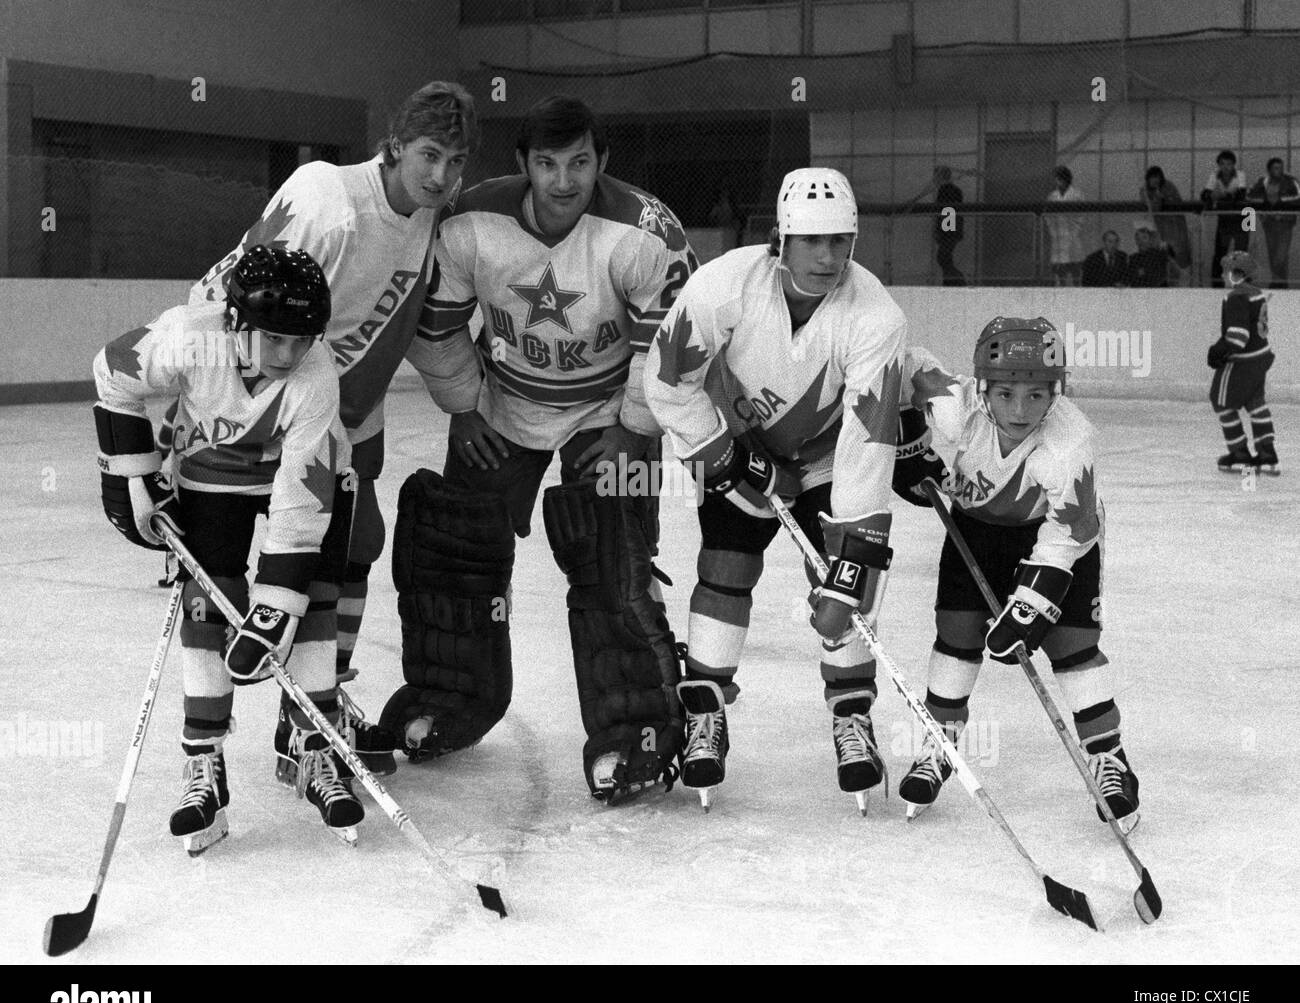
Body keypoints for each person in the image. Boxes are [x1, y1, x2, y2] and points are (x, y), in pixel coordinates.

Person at [403, 94, 698, 801]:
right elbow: (435, 325)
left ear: (603, 160)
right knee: (456, 556)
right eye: (546, 164)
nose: (564, 182)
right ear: (522, 164)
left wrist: (633, 430)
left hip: (611, 413)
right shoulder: (471, 221)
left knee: (611, 566)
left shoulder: (645, 232)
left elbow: (673, 344)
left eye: (580, 163)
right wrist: (465, 409)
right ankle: (451, 699)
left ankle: (640, 730)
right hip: (502, 404)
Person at [185, 80, 481, 780]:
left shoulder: (430, 217)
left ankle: (313, 708)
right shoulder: (328, 199)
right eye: (429, 155)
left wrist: (465, 400)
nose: (441, 175)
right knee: (258, 573)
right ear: (397, 145)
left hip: (345, 409)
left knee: (358, 545)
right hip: (271, 408)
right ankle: (251, 730)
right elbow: (239, 301)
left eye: (457, 161)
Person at [643, 167, 931, 814]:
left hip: (830, 456)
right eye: (812, 242)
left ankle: (851, 716)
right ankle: (705, 711)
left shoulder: (876, 316)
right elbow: (667, 383)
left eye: (841, 241)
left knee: (840, 591)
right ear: (782, 240)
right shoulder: (722, 288)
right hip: (738, 446)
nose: (828, 257)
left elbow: (869, 436)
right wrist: (726, 460)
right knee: (726, 565)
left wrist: (855, 554)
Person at [93, 246, 367, 852]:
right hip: (210, 471)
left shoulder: (315, 375)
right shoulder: (189, 338)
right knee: (205, 602)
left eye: (304, 339)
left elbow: (299, 509)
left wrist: (278, 609)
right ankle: (204, 765)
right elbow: (112, 370)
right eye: (276, 338)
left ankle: (311, 744)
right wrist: (131, 472)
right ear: (237, 323)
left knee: (316, 601)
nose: (290, 355)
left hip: (307, 476)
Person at [895, 318, 1141, 831]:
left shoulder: (1070, 441)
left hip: (1057, 537)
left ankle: (1107, 756)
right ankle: (940, 743)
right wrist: (909, 444)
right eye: (1005, 392)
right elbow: (905, 363)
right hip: (977, 529)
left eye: (1037, 394)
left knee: (1071, 643)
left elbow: (1067, 535)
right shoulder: (954, 405)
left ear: (1059, 390)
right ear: (982, 385)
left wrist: (1030, 606)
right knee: (957, 633)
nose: (1020, 410)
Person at [1208, 251, 1279, 474]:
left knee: (1221, 402)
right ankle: (1267, 452)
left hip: (1242, 362)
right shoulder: (1257, 294)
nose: (1222, 274)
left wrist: (1219, 351)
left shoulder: (1236, 297)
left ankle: (1239, 451)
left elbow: (1238, 337)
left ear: (1237, 274)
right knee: (1256, 403)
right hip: (1261, 358)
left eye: (1226, 270)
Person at [1246, 157, 1300, 289]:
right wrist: (1265, 201)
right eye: (1276, 168)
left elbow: (1299, 196)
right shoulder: (1263, 182)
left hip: (1285, 223)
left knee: (1280, 256)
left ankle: (1278, 282)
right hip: (1269, 223)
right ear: (1269, 169)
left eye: (1281, 167)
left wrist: (1280, 200)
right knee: (1273, 254)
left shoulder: (1290, 181)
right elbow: (1249, 197)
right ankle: (1280, 284)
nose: (1279, 171)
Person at [1201, 150, 1249, 287]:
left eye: (1229, 164)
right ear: (1219, 165)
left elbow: (1240, 195)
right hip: (1225, 219)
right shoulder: (1214, 175)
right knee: (1220, 253)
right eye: (1222, 164)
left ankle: (1242, 283)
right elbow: (1205, 195)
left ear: (1234, 165)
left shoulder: (1240, 174)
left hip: (1243, 218)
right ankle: (1216, 284)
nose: (1226, 167)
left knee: (1242, 254)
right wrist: (1223, 195)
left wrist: (1219, 196)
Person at [1140, 166, 1191, 273]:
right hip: (1157, 228)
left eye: (1157, 177)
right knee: (1158, 256)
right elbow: (1153, 208)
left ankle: (1181, 280)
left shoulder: (1169, 186)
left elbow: (1177, 202)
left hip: (1175, 227)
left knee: (1178, 256)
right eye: (1152, 177)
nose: (1155, 180)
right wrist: (1158, 198)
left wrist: (1163, 198)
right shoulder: (1144, 189)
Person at [1044, 166, 1085, 286]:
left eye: (1058, 178)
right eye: (1056, 179)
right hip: (1057, 237)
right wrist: (1052, 231)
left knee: (1075, 269)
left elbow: (1082, 216)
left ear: (1065, 179)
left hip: (1073, 236)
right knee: (1060, 272)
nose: (1057, 182)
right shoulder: (1052, 196)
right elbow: (1048, 216)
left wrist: (1075, 230)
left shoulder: (1077, 195)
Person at [932, 165, 965, 286]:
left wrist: (942, 232)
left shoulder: (945, 190)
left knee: (943, 257)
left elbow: (947, 211)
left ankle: (956, 281)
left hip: (949, 231)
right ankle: (950, 281)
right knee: (945, 257)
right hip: (952, 230)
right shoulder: (954, 190)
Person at [1126, 221, 1177, 288]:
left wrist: (1143, 272)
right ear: (1136, 242)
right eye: (1138, 239)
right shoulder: (1133, 258)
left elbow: (1162, 276)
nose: (1141, 241)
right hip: (1141, 293)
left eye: (1144, 238)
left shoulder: (1160, 254)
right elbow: (1131, 279)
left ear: (1149, 239)